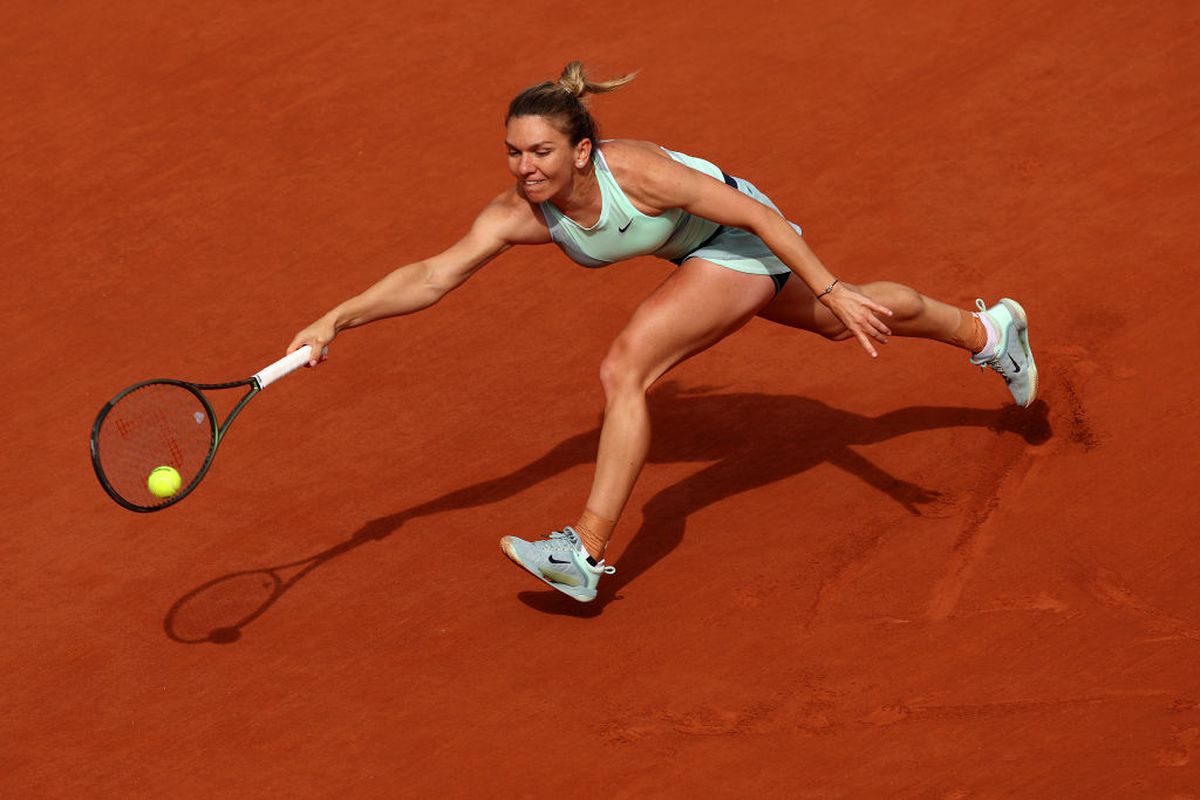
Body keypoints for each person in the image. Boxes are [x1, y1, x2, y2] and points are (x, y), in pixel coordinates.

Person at [287, 61, 1037, 603]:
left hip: (739, 239)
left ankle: (584, 550)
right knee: (840, 327)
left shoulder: (636, 172)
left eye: (540, 151)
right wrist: (336, 319)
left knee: (626, 370)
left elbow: (755, 216)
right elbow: (432, 274)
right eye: (513, 152)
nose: (524, 167)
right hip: (694, 247)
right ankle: (988, 331)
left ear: (581, 151)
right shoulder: (520, 213)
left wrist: (828, 281)